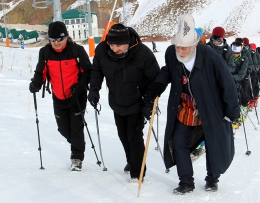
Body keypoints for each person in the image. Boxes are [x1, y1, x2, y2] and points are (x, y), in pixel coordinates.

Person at [152, 14, 239, 194]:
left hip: (210, 107)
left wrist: (232, 111)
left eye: (184, 48)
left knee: (213, 144)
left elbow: (228, 85)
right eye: (178, 47)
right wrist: (158, 84)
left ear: (194, 46)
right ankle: (186, 181)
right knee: (178, 142)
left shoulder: (212, 58)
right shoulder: (171, 53)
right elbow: (168, 71)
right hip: (186, 106)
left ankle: (212, 179)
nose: (180, 52)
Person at [87, 23, 160, 182]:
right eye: (112, 44)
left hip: (137, 101)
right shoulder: (102, 50)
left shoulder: (143, 54)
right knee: (123, 135)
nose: (115, 48)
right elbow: (97, 72)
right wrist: (94, 90)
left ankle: (138, 171)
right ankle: (131, 161)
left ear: (128, 42)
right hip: (116, 101)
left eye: (119, 45)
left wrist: (149, 103)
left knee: (134, 137)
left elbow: (155, 80)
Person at [29, 21, 92, 171]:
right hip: (58, 96)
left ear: (66, 37)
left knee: (76, 127)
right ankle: (78, 143)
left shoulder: (77, 51)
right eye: (52, 40)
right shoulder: (45, 53)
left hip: (77, 96)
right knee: (63, 128)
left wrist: (80, 86)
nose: (56, 43)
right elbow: (41, 71)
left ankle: (77, 158)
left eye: (59, 39)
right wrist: (36, 84)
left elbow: (89, 71)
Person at [230, 41, 249, 128]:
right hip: (227, 81)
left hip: (238, 81)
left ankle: (236, 119)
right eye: (233, 53)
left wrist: (231, 78)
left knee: (238, 98)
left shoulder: (244, 59)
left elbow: (242, 74)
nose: (235, 55)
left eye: (237, 53)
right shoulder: (227, 57)